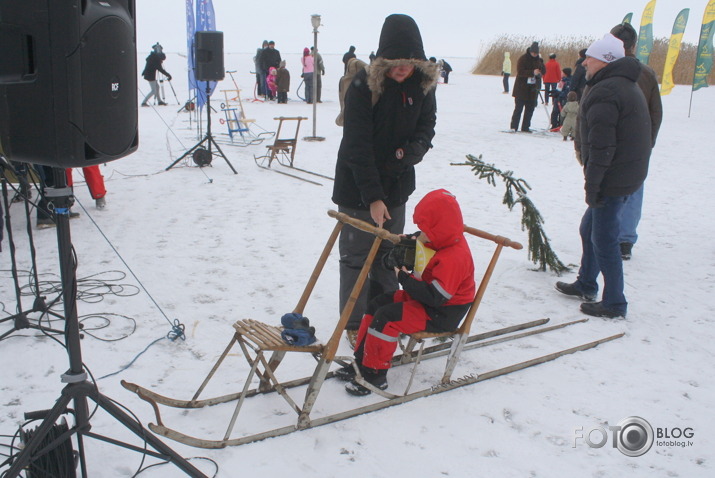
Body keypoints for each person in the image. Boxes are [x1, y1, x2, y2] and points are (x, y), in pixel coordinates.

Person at [332, 13, 440, 348]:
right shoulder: (365, 86)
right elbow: (356, 146)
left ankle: (384, 316)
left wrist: (408, 154)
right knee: (356, 258)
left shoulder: (422, 85)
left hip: (396, 187)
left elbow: (427, 128)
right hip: (357, 187)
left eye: (409, 62)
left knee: (390, 255)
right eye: (394, 62)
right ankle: (353, 323)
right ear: (383, 58)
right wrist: (373, 197)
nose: (402, 68)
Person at [335, 189, 476, 395]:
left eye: (427, 229)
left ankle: (375, 374)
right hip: (424, 301)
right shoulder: (440, 239)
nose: (423, 234)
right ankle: (362, 360)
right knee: (377, 303)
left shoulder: (454, 258)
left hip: (441, 312)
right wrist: (408, 242)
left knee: (387, 318)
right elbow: (423, 243)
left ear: (440, 229)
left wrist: (403, 278)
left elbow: (435, 297)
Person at [555, 33, 652, 319]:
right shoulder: (621, 84)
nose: (584, 62)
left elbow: (601, 146)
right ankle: (586, 283)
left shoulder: (607, 91)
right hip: (623, 173)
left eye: (590, 58)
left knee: (605, 239)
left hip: (613, 177)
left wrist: (593, 185)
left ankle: (615, 302)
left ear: (605, 60)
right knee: (589, 230)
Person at [610, 22, 663, 261]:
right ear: (634, 45)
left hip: (614, 142)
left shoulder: (607, 68)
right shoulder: (646, 72)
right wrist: (648, 142)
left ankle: (617, 237)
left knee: (607, 189)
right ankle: (623, 239)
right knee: (632, 190)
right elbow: (656, 112)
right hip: (635, 144)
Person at [509, 41, 545, 133]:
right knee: (518, 109)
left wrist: (540, 69)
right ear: (530, 51)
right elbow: (520, 72)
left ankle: (525, 127)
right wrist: (532, 72)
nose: (534, 54)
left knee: (530, 110)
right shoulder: (523, 59)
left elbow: (544, 71)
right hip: (521, 89)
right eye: (533, 53)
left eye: (536, 53)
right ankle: (514, 127)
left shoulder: (539, 60)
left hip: (532, 90)